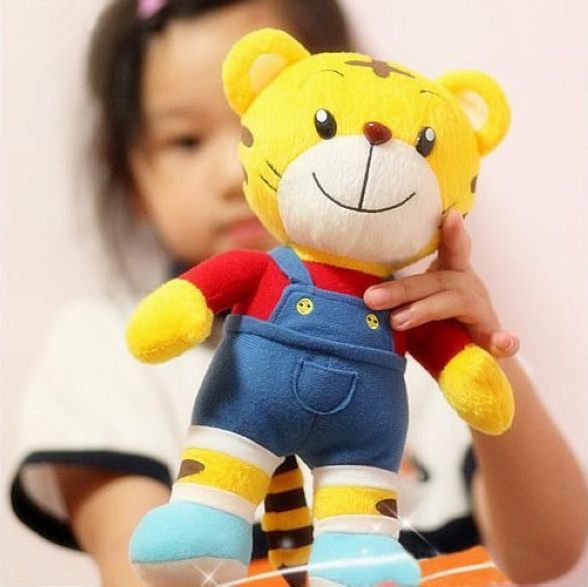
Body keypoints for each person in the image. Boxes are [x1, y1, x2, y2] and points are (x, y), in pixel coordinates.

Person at [9, 0, 586, 586]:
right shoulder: (102, 346)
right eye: (186, 141)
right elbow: (143, 570)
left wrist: (484, 352)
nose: (230, 172)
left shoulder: (418, 337)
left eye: (314, 121)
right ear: (130, 176)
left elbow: (548, 553)